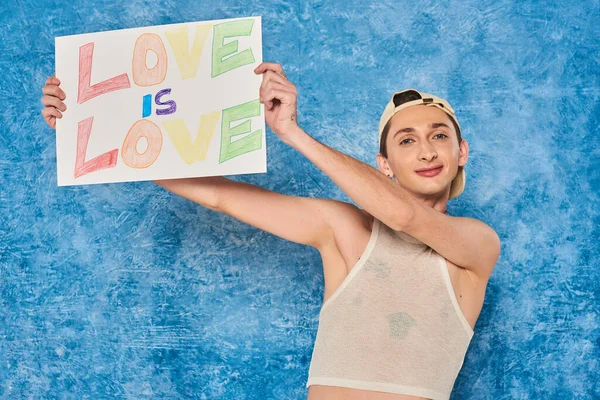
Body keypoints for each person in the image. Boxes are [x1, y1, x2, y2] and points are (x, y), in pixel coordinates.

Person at [41, 62, 500, 400]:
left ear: (461, 151)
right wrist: (88, 125)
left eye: (439, 136)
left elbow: (409, 219)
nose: (425, 151)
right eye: (406, 140)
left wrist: (292, 133)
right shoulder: (344, 229)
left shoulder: (476, 245)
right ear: (384, 165)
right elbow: (217, 195)